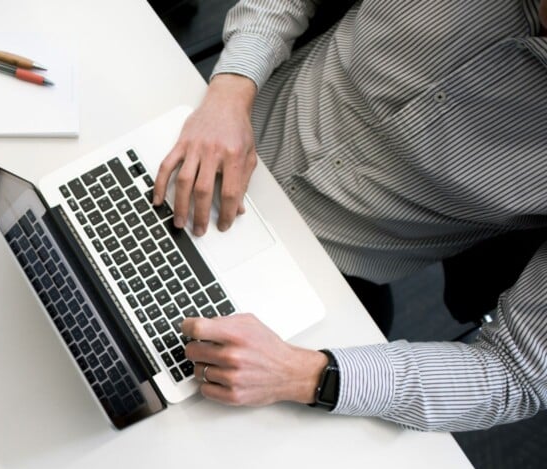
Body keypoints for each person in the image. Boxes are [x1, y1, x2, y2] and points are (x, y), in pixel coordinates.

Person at [155, 0, 547, 431]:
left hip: (317, 277)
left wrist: (304, 374)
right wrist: (231, 90)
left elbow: (516, 373)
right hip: (205, 126)